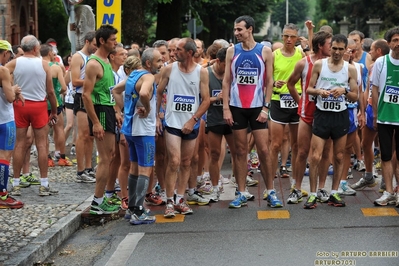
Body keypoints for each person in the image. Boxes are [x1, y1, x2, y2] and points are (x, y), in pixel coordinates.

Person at [222, 15, 281, 208]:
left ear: (250, 29)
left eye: (240, 29)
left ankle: (270, 191)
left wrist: (266, 107)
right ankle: (241, 192)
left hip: (257, 108)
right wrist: (226, 108)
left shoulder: (264, 51)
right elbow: (227, 81)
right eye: (235, 29)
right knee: (239, 151)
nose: (236, 33)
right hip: (237, 107)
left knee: (263, 151)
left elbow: (269, 81)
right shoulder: (232, 51)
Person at [156, 37, 210, 218]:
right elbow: (158, 91)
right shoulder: (169, 69)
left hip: (190, 124)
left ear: (189, 53)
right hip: (172, 122)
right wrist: (157, 116)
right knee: (174, 161)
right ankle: (169, 201)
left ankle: (180, 198)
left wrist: (193, 120)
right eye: (173, 50)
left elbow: (206, 100)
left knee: (186, 162)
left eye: (178, 50)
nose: (173, 53)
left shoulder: (201, 72)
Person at [304, 34, 359, 209]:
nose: (336, 52)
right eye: (334, 48)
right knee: (315, 156)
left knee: (339, 155)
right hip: (322, 115)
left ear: (345, 50)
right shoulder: (320, 65)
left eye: (340, 49)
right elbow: (309, 89)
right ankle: (313, 194)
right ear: (331, 47)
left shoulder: (350, 69)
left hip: (340, 116)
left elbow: (355, 96)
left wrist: (344, 91)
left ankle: (334, 192)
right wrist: (319, 92)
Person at [114, 48, 163, 224]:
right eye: (158, 61)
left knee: (134, 168)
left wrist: (127, 110)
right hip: (144, 130)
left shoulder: (133, 74)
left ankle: (132, 208)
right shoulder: (148, 77)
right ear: (148, 63)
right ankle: (138, 211)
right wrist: (148, 109)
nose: (161, 63)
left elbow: (115, 91)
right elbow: (143, 93)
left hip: (130, 129)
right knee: (145, 169)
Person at [6, 35, 59, 196]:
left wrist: (11, 88)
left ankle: (15, 183)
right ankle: (44, 184)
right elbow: (50, 91)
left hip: (20, 105)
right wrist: (54, 111)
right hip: (39, 106)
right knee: (42, 144)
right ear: (36, 48)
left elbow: (3, 73)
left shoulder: (14, 62)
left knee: (19, 144)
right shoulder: (44, 65)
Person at [286, 30, 333, 204]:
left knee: (325, 152)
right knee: (301, 151)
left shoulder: (334, 64)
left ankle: (321, 188)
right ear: (320, 46)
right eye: (329, 44)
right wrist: (300, 102)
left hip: (326, 114)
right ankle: (297, 188)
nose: (333, 49)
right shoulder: (303, 63)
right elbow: (291, 84)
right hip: (307, 114)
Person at [82, 25, 120, 215]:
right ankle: (97, 202)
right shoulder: (94, 63)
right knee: (105, 158)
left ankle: (101, 198)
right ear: (102, 41)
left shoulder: (106, 61)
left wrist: (116, 112)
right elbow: (86, 95)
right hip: (100, 111)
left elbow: (109, 92)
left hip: (108, 109)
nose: (115, 42)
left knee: (111, 156)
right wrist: (96, 122)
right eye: (112, 39)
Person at [351, 39, 390, 191]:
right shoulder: (373, 66)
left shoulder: (389, 65)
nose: (370, 52)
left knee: (390, 148)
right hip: (371, 108)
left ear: (379, 51)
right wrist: (364, 109)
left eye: (372, 49)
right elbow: (368, 88)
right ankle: (368, 176)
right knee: (366, 144)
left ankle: (387, 183)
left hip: (388, 109)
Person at [269, 23, 305, 184]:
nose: (289, 39)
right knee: (275, 144)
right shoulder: (274, 55)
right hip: (278, 101)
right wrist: (274, 82)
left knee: (297, 146)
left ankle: (296, 184)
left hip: (297, 100)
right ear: (282, 36)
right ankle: (269, 186)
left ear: (297, 38)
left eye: (292, 36)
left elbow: (313, 64)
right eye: (286, 36)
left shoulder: (301, 53)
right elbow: (267, 79)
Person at [371, 27, 399, 206]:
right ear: (388, 43)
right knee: (386, 156)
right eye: (395, 40)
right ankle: (388, 191)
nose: (398, 44)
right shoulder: (381, 62)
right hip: (384, 117)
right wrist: (375, 114)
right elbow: (374, 89)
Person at [205, 47, 236, 202]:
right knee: (215, 154)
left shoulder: (233, 74)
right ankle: (215, 187)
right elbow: (202, 99)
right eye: (226, 64)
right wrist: (217, 98)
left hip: (231, 118)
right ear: (218, 61)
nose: (229, 68)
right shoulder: (206, 73)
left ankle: (239, 185)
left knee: (238, 153)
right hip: (214, 118)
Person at [0, 40, 24, 208]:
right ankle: (2, 195)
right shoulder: (2, 70)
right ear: (5, 53)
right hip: (4, 119)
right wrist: (14, 90)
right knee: (4, 157)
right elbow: (10, 98)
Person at [70, 31, 97, 183]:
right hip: (81, 97)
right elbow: (74, 80)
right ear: (87, 42)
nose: (95, 47)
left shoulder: (94, 57)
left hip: (93, 97)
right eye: (94, 44)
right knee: (83, 134)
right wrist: (92, 81)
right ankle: (80, 171)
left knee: (91, 135)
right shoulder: (78, 57)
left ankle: (88, 168)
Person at [40, 44, 70, 167]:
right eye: (53, 52)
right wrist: (58, 91)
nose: (54, 54)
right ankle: (61, 157)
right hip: (55, 102)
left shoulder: (38, 66)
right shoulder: (56, 67)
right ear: (49, 53)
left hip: (41, 102)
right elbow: (64, 87)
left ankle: (47, 158)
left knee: (44, 132)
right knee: (59, 129)